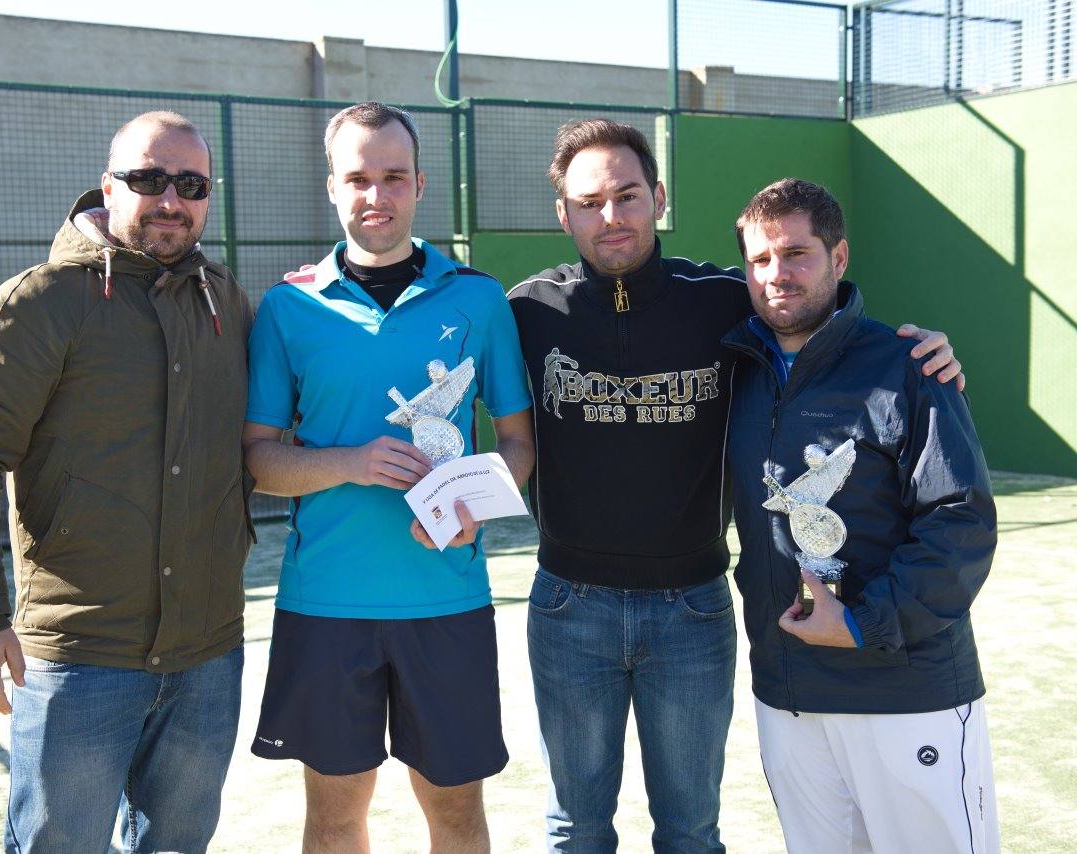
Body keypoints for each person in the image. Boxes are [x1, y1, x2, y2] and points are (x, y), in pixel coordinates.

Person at [507, 120, 964, 852]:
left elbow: (818, 317)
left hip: (693, 610)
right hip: (569, 607)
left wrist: (921, 355)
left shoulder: (725, 301)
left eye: (628, 195)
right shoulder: (526, 312)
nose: (612, 216)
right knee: (575, 829)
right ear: (565, 214)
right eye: (589, 202)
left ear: (658, 197)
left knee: (691, 831)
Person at [0, 111, 254, 853]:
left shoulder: (226, 302)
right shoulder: (39, 304)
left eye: (191, 185)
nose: (171, 199)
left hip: (207, 654)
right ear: (110, 187)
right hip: (80, 660)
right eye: (149, 179)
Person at [241, 101, 534, 853]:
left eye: (394, 177)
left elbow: (517, 440)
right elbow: (260, 461)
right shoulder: (287, 308)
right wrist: (351, 463)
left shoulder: (477, 299)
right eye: (359, 178)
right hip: (326, 604)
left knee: (458, 818)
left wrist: (472, 505)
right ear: (332, 188)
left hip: (446, 600)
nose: (377, 195)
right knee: (336, 821)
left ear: (419, 185)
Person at [721, 177, 998, 852]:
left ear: (838, 259)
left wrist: (860, 624)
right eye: (759, 259)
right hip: (788, 695)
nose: (776, 274)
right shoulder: (734, 370)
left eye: (796, 254)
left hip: (906, 693)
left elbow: (959, 521)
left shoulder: (907, 366)